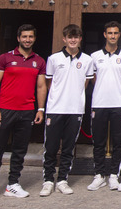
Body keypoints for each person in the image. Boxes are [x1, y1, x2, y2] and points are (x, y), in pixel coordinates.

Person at [0, 24, 46, 203]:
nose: (27, 40)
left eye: (30, 37)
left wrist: (40, 109)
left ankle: (13, 184)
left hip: (26, 111)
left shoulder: (38, 61)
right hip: (5, 110)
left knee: (19, 150)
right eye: (24, 36)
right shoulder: (5, 58)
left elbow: (41, 86)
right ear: (18, 38)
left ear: (34, 39)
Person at [40, 24, 94, 197]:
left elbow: (85, 84)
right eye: (70, 37)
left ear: (80, 39)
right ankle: (48, 180)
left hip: (75, 109)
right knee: (51, 146)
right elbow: (50, 83)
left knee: (69, 147)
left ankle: (62, 179)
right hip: (55, 109)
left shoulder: (86, 60)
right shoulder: (54, 59)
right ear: (64, 39)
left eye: (76, 37)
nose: (73, 40)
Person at [88, 21, 121, 192]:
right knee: (98, 141)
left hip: (119, 103)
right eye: (110, 33)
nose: (113, 36)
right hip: (99, 103)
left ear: (119, 35)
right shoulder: (94, 56)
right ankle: (99, 175)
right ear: (105, 35)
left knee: (118, 141)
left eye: (116, 33)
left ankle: (114, 174)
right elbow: (92, 78)